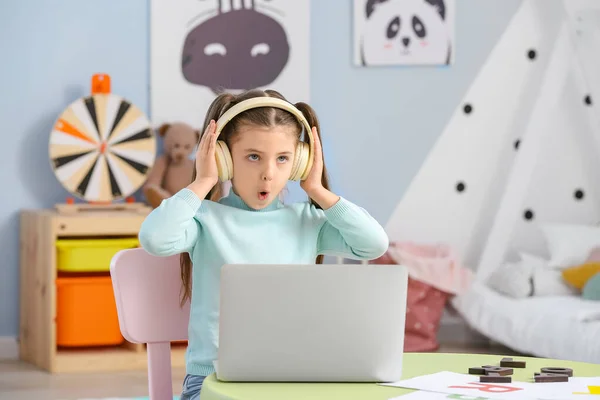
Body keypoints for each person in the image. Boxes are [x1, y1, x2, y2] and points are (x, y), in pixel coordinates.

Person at [138, 89, 389, 399]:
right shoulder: (205, 219)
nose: (268, 175)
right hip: (212, 383)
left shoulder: (307, 221)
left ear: (299, 163)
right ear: (223, 159)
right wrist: (203, 182)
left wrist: (318, 189)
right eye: (253, 156)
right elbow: (154, 239)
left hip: (289, 380)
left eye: (283, 159)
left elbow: (373, 244)